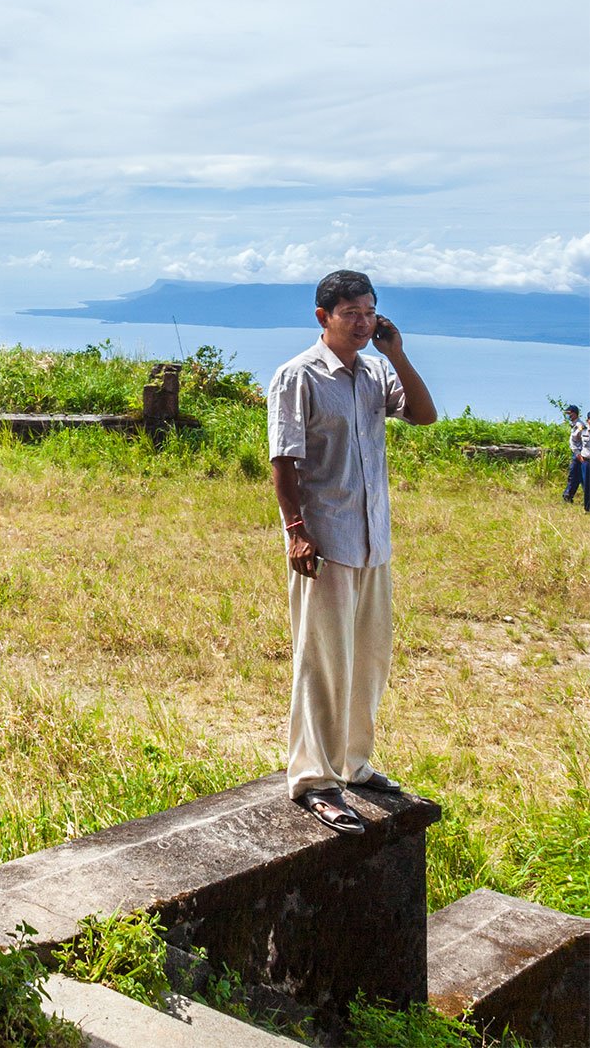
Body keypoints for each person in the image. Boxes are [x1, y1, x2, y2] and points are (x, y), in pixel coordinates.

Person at [268, 269, 437, 835]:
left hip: (372, 541)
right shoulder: (298, 376)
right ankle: (314, 779)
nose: (363, 323)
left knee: (369, 658)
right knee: (321, 662)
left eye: (370, 312)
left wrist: (398, 354)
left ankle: (354, 764)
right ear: (323, 317)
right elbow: (284, 461)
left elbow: (423, 415)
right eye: (351, 314)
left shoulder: (373, 372)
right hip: (326, 541)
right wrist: (295, 529)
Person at [562, 406, 589, 510]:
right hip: (578, 453)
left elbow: (581, 441)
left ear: (575, 413)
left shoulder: (580, 425)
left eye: (570, 414)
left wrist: (579, 454)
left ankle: (568, 495)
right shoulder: (575, 425)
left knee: (576, 476)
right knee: (579, 477)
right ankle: (569, 496)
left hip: (579, 454)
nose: (569, 416)